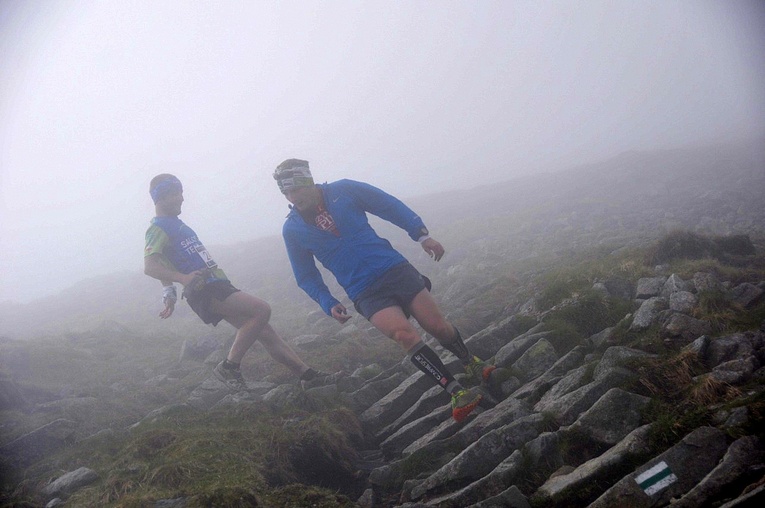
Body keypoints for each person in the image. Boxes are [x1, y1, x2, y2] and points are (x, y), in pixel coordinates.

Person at [273, 159, 496, 422]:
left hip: (393, 268)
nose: (292, 197)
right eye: (285, 193)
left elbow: (388, 205)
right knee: (405, 335)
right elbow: (305, 274)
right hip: (363, 290)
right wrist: (327, 301)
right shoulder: (293, 229)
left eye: (295, 190)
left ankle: (470, 361)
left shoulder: (344, 190)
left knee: (438, 327)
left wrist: (422, 235)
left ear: (308, 182)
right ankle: (455, 390)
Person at [143, 173, 341, 390]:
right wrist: (182, 279)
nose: (182, 198)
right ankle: (229, 368)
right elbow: (151, 266)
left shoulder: (175, 224)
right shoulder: (157, 228)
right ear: (160, 198)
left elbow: (163, 261)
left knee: (264, 331)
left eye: (181, 192)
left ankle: (308, 376)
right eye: (175, 194)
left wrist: (169, 293)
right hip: (204, 288)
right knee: (261, 311)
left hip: (215, 284)